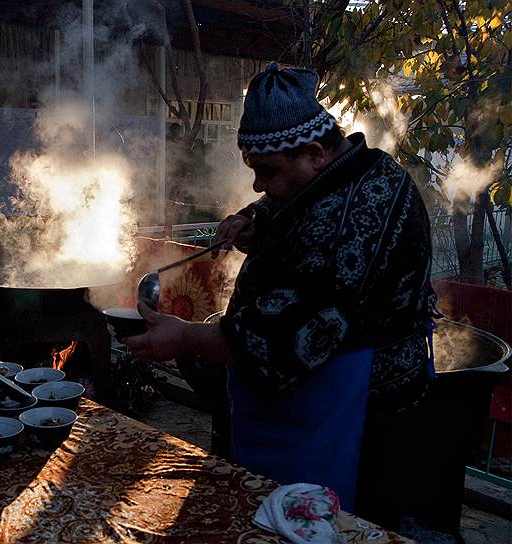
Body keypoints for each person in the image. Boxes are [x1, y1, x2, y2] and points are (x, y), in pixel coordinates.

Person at [123, 63, 435, 518]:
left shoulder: (359, 215)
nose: (258, 185)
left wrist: (185, 338)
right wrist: (254, 218)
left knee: (329, 516)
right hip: (318, 387)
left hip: (360, 402)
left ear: (314, 152)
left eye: (266, 171)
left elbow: (282, 338)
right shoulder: (346, 167)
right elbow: (297, 202)